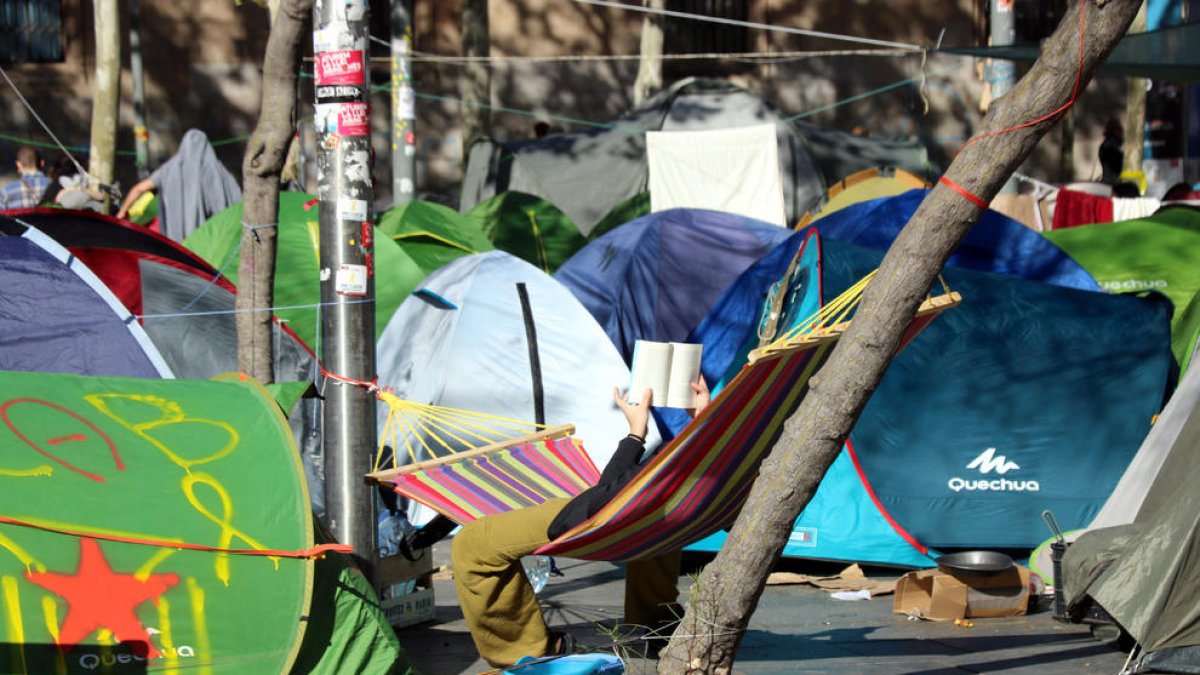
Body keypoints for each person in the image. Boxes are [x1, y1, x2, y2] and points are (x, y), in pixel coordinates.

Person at [451, 378, 710, 668]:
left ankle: (527, 654)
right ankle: (658, 622)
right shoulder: (719, 461)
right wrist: (639, 432)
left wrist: (687, 427)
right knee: (656, 519)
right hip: (638, 514)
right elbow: (626, 487)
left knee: (472, 543)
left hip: (596, 517)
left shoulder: (694, 455)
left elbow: (611, 489)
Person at [115, 129, 241, 241]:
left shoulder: (169, 169)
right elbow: (234, 200)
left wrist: (122, 211)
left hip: (174, 240)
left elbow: (139, 189)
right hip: (208, 240)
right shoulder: (217, 172)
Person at [1099, 118, 1124, 186]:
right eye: (1120, 129)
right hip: (1113, 183)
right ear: (1115, 130)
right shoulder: (1112, 146)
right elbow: (1117, 165)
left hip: (1107, 182)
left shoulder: (1104, 145)